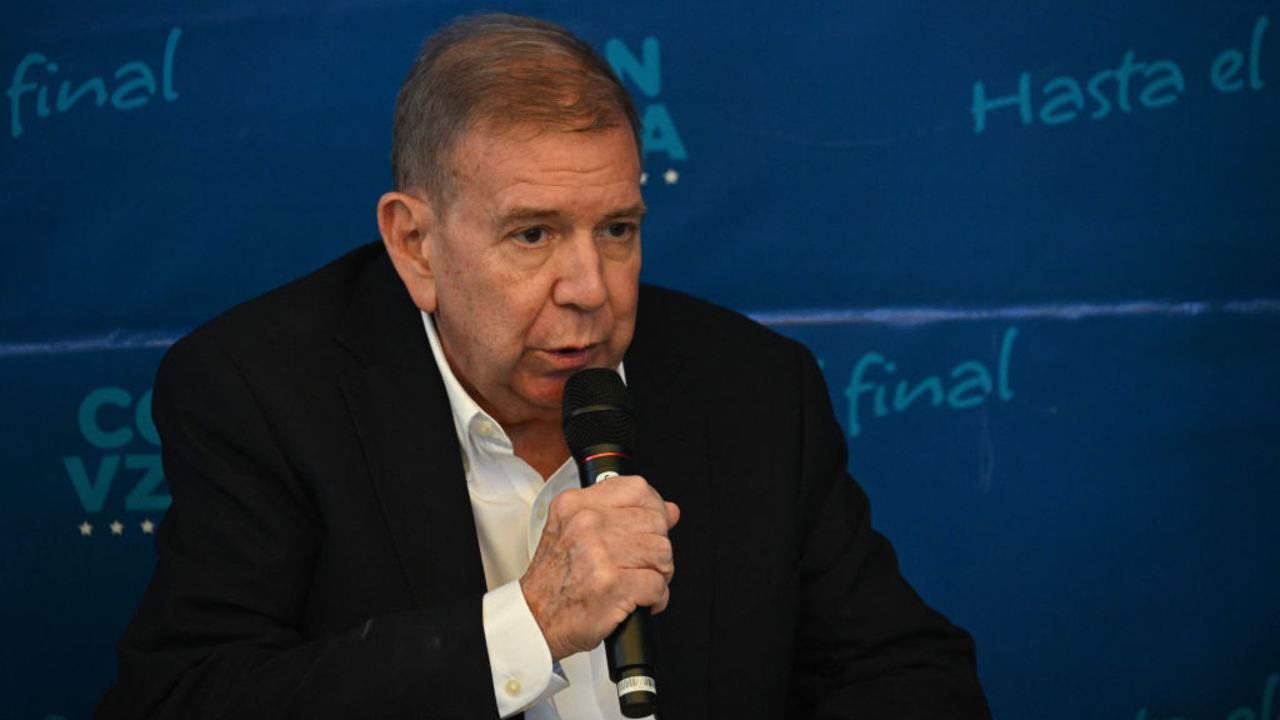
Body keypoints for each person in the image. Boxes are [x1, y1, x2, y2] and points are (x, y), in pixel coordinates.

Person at [98, 13, 990, 720]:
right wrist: (527, 625)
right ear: (416, 244)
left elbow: (908, 674)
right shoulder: (261, 392)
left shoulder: (755, 387)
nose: (589, 291)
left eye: (617, 230)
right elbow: (186, 701)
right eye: (532, 234)